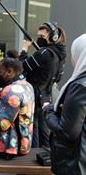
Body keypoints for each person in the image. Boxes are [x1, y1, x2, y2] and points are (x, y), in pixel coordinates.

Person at [19, 22, 67, 148]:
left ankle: (33, 162)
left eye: (42, 36)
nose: (39, 38)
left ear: (53, 37)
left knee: (32, 131)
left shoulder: (44, 52)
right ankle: (46, 159)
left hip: (33, 96)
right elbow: (59, 77)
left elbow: (22, 67)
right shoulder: (61, 56)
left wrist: (24, 49)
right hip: (47, 97)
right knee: (44, 132)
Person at [43, 34, 86, 175]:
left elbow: (66, 132)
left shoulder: (80, 86)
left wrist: (48, 111)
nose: (72, 59)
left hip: (74, 165)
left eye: (74, 53)